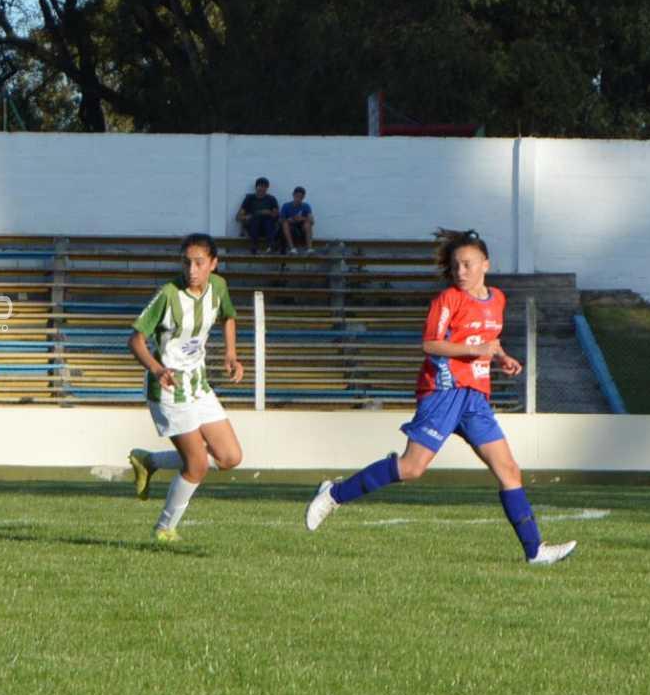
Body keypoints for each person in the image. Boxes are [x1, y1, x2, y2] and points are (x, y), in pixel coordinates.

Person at [305, 229, 576, 565]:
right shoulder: (447, 300)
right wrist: (476, 350)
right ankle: (333, 494)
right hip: (443, 392)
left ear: (485, 264)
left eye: (468, 264)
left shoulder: (498, 299)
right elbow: (431, 344)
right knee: (411, 468)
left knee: (509, 470)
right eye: (456, 265)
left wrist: (501, 357)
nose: (461, 271)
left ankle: (535, 551)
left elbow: (489, 340)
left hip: (475, 397)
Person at [125, 233, 245, 541]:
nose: (192, 270)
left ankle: (149, 461)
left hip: (198, 384)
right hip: (168, 387)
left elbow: (229, 316)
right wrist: (156, 369)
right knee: (197, 464)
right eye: (186, 262)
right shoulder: (168, 294)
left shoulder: (218, 287)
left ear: (213, 264)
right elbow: (135, 339)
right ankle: (164, 528)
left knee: (229, 457)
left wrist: (231, 354)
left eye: (199, 263)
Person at [236, 177, 280, 253]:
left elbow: (276, 216)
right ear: (256, 187)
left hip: (267, 228)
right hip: (253, 227)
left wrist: (268, 212)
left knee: (267, 220)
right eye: (260, 186)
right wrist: (247, 217)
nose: (262, 189)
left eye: (264, 187)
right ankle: (254, 246)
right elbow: (238, 217)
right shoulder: (249, 198)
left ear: (267, 188)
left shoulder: (271, 199)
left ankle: (271, 245)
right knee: (256, 219)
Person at [279, 186, 316, 254]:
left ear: (303, 197)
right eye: (297, 196)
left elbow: (312, 221)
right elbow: (280, 220)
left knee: (308, 224)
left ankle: (309, 248)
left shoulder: (306, 206)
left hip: (301, 227)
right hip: (290, 227)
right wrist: (289, 220)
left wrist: (302, 218)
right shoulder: (286, 205)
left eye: (301, 197)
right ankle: (292, 248)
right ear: (293, 195)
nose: (298, 199)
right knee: (285, 224)